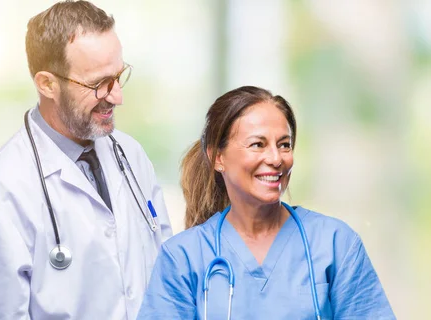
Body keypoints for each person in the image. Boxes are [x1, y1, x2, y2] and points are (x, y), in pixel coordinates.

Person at [0, 1, 172, 319]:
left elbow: (165, 276)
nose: (117, 96)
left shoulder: (131, 155)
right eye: (99, 84)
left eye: (119, 75)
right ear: (47, 84)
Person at [137, 86, 395, 319]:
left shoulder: (335, 245)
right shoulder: (183, 257)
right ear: (218, 158)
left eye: (284, 145)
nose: (275, 158)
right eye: (258, 145)